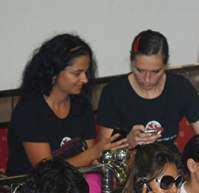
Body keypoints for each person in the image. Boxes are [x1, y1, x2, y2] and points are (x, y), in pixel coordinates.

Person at [96, 29, 199, 177]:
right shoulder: (114, 92)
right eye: (139, 70)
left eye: (155, 72)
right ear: (131, 62)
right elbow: (102, 155)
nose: (146, 79)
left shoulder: (179, 87)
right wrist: (129, 142)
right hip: (132, 174)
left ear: (166, 64)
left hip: (172, 171)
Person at [7, 33, 125, 177]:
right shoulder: (29, 111)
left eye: (86, 72)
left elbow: (87, 159)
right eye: (77, 73)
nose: (85, 79)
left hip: (75, 189)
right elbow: (45, 172)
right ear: (54, 72)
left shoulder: (81, 105)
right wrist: (94, 153)